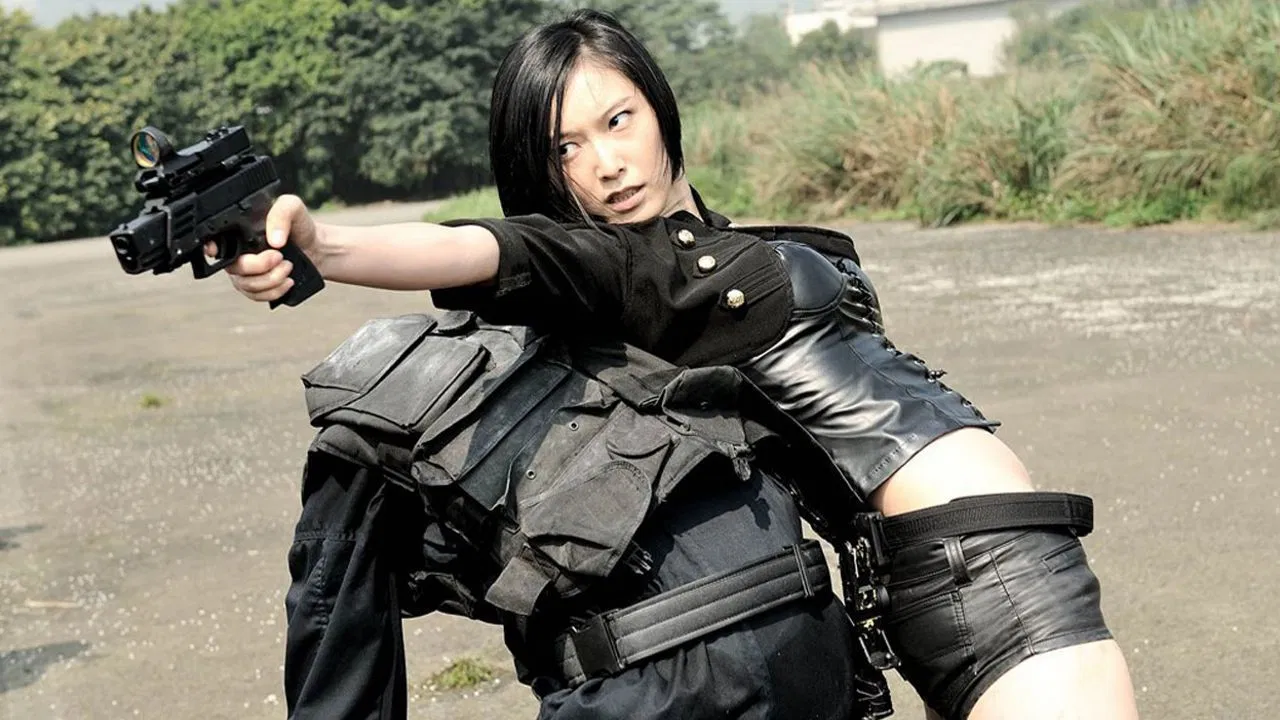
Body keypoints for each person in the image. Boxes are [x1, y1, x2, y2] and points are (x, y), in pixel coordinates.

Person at [216, 9, 1141, 720]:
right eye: (566, 149)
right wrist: (326, 247)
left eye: (617, 120)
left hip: (976, 567)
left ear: (658, 106)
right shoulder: (628, 267)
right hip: (986, 577)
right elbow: (487, 249)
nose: (606, 163)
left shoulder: (703, 249)